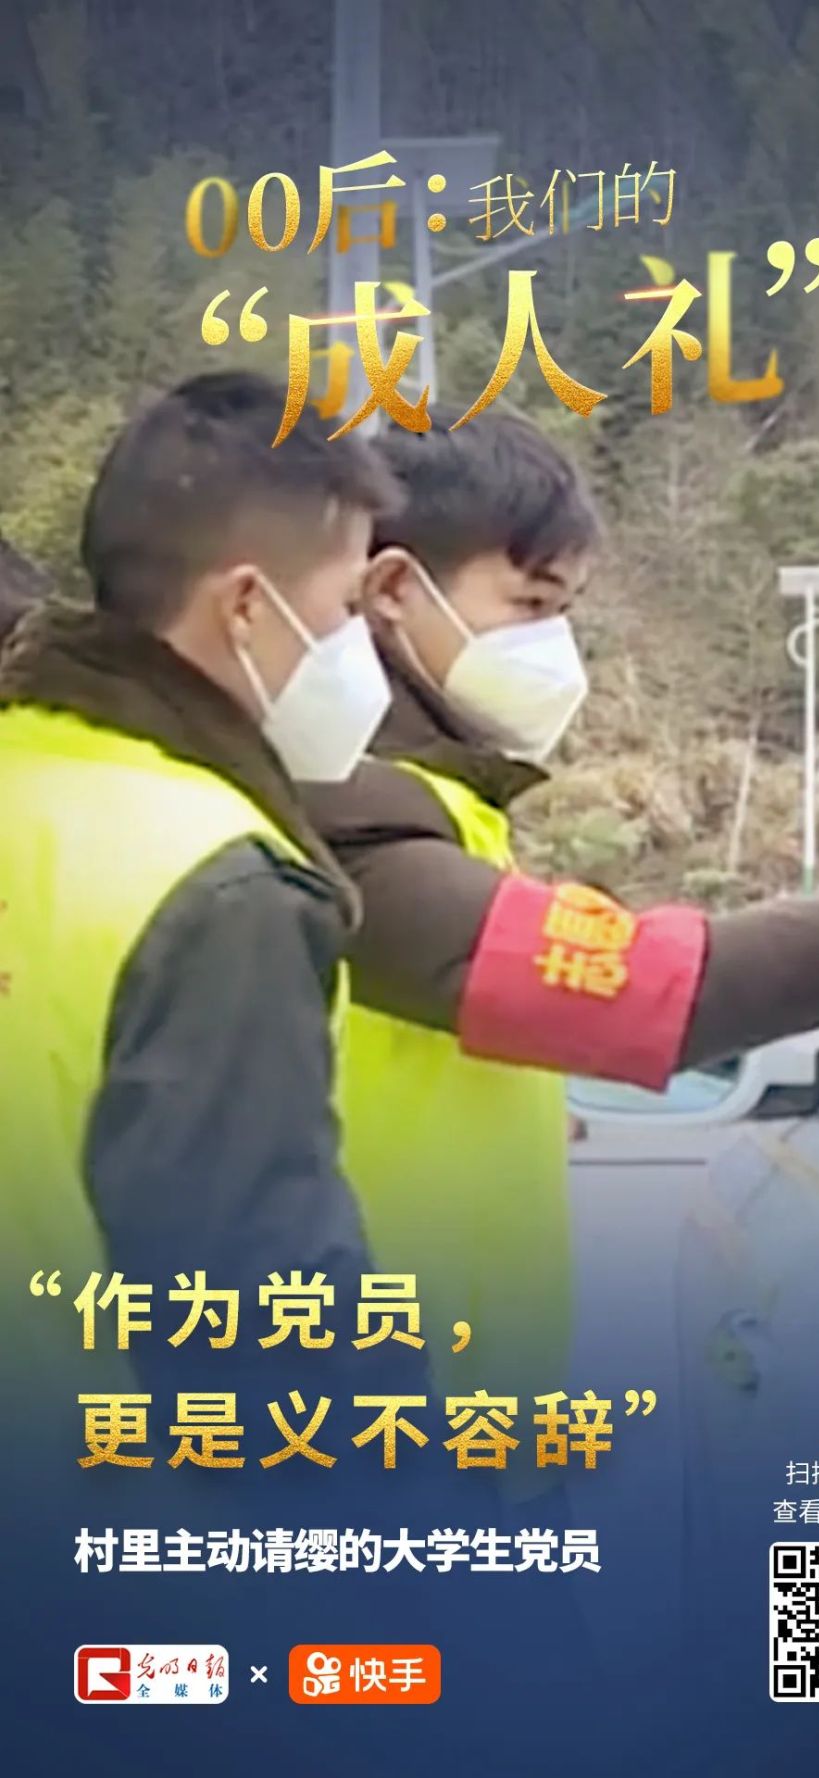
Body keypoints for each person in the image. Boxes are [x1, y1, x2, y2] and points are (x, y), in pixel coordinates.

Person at [302, 408, 819, 1494]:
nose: (553, 648)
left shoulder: (434, 803)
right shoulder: (339, 807)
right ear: (393, 589)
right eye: (531, 606)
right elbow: (637, 987)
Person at [0, 370, 406, 1440]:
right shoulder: (222, 884)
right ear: (245, 605)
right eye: (345, 608)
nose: (360, 648)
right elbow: (267, 1327)